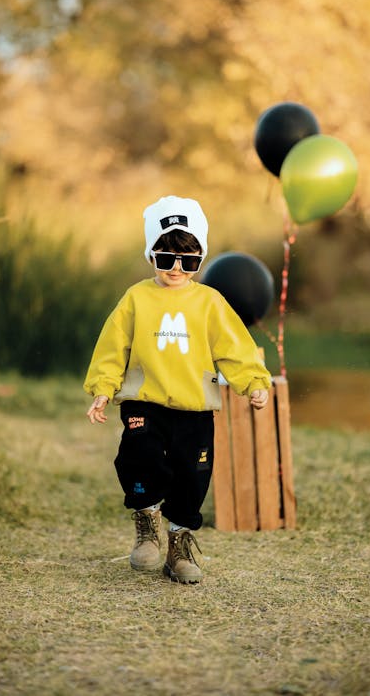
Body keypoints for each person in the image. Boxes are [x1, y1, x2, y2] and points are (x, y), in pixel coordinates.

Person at [84, 195, 271, 584]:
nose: (176, 269)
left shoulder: (209, 302)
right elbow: (112, 347)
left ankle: (179, 545)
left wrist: (253, 381)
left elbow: (234, 348)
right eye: (166, 258)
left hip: (194, 406)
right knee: (140, 453)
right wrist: (103, 388)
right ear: (151, 255)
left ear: (200, 259)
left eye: (189, 261)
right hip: (145, 401)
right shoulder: (136, 298)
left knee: (193, 474)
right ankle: (147, 517)